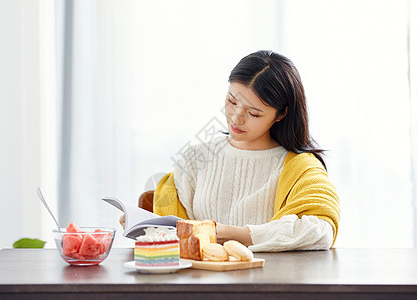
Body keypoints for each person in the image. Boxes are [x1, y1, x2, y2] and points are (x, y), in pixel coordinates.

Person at [124, 50, 340, 252]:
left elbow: (320, 231)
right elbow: (174, 231)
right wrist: (141, 224)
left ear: (280, 114)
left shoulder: (300, 167)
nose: (236, 118)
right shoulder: (196, 157)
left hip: (269, 284)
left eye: (254, 113)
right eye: (231, 101)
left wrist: (232, 234)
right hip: (199, 283)